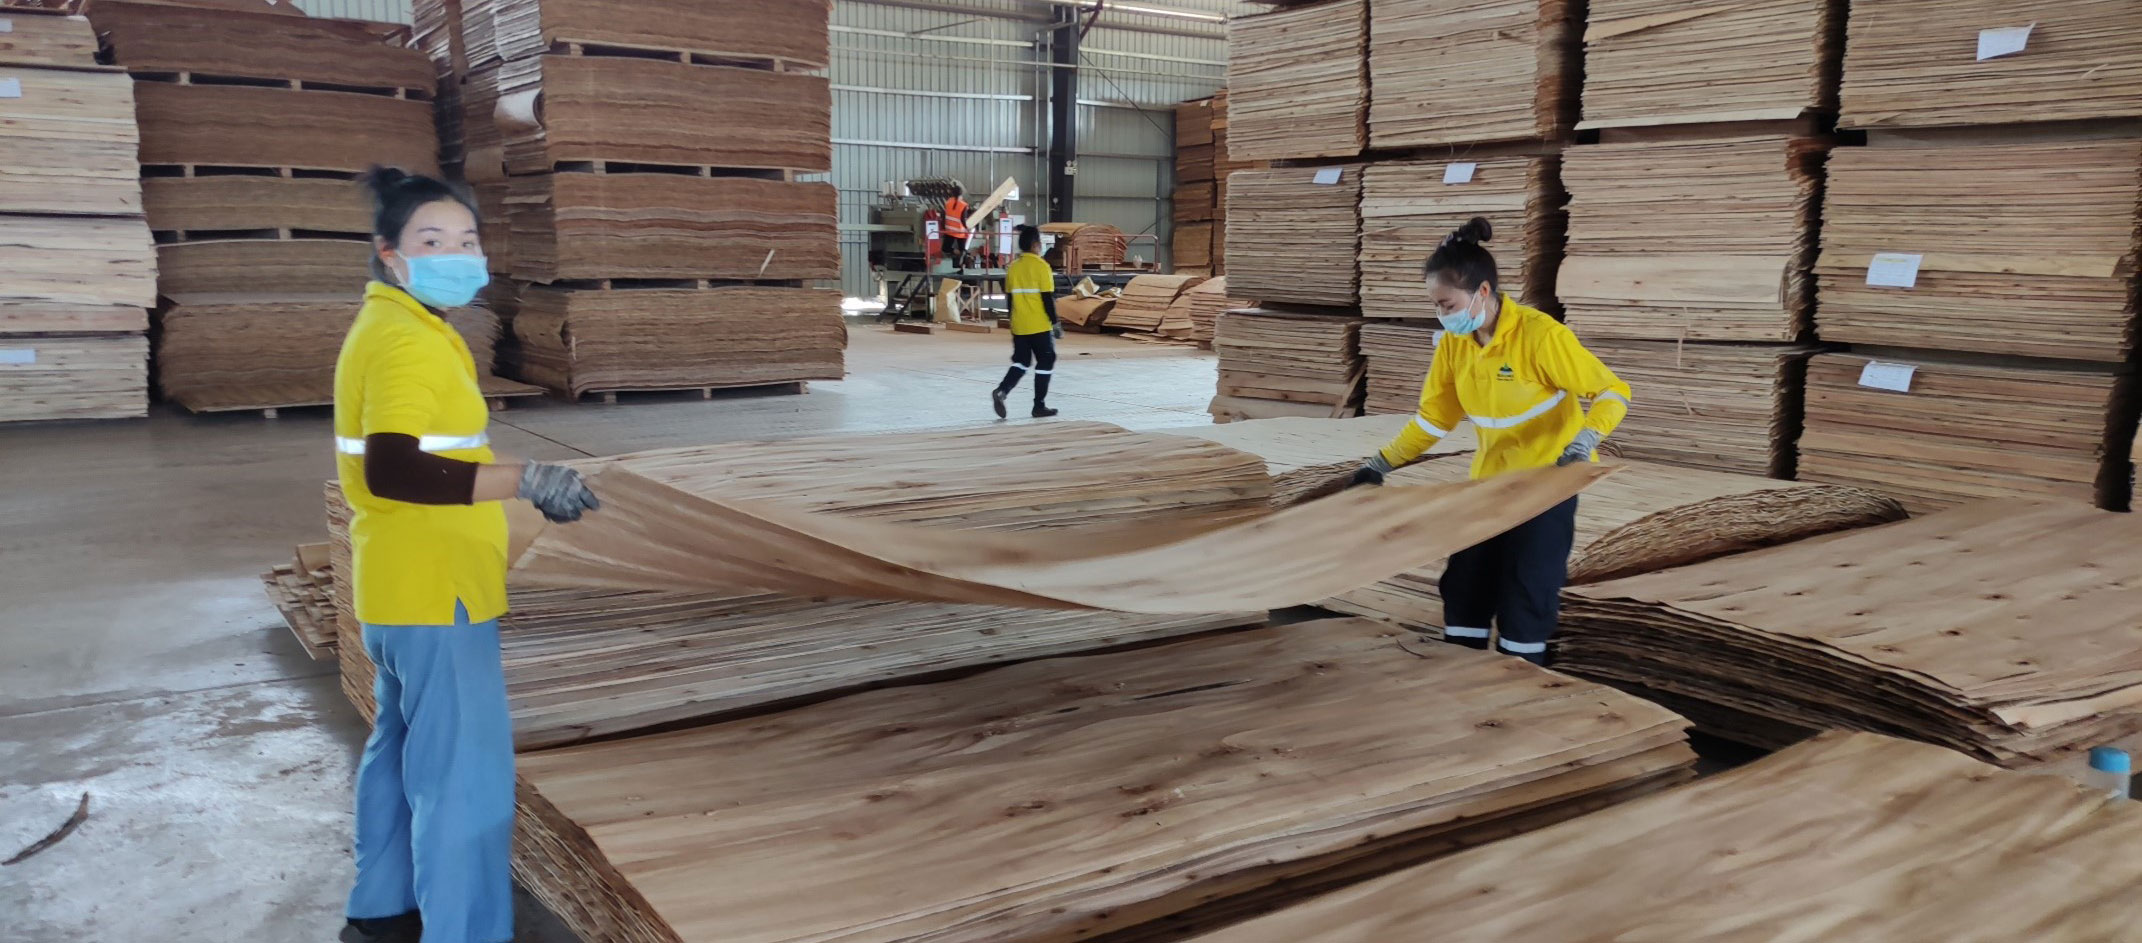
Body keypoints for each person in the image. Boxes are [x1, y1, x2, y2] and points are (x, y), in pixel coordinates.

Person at [335, 167, 600, 943]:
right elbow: (393, 467)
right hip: (438, 589)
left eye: (467, 239)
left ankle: (381, 908)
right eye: (432, 241)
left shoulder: (393, 326)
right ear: (390, 254)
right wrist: (526, 477)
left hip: (395, 585)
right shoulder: (407, 343)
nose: (456, 253)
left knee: (399, 750)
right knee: (465, 780)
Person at [1350, 216, 1629, 666]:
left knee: (1527, 586)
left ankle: (1521, 678)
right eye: (1437, 306)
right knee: (1465, 581)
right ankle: (1462, 673)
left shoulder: (1541, 337)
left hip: (1547, 483)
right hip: (1488, 480)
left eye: (1448, 304)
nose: (1443, 316)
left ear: (1482, 293)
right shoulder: (1454, 346)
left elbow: (1614, 391)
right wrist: (1379, 463)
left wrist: (1585, 440)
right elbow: (1434, 419)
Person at [992, 224, 1062, 419]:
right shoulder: (1042, 267)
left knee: (1021, 361)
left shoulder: (1013, 268)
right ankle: (1039, 406)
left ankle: (1002, 391)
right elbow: (1047, 298)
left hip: (1019, 325)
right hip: (1039, 325)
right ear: (1034, 245)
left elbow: (1010, 299)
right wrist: (1055, 323)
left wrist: (1012, 321)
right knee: (1046, 360)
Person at [941, 185, 971, 266]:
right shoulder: (963, 205)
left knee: (946, 248)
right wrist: (967, 228)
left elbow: (943, 215)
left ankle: (956, 253)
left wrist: (944, 226)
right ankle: (962, 265)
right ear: (961, 194)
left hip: (949, 230)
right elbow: (963, 219)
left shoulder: (948, 202)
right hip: (960, 231)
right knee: (963, 249)